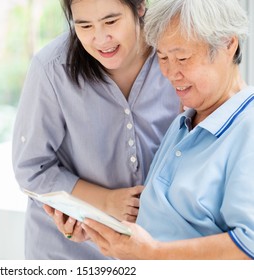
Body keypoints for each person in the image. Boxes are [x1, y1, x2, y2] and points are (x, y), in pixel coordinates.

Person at [74, 0, 254, 259]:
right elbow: (159, 221)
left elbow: (249, 247)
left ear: (228, 44)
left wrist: (154, 255)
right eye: (162, 58)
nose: (170, 73)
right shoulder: (184, 122)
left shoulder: (247, 128)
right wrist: (96, 228)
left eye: (182, 58)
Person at [12, 0, 180, 259]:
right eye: (85, 25)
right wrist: (105, 201)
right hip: (67, 253)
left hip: (154, 249)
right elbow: (32, 169)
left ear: (140, 7)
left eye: (111, 21)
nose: (101, 38)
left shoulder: (174, 53)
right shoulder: (51, 69)